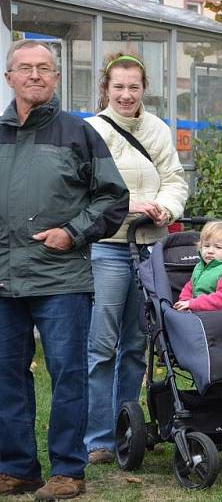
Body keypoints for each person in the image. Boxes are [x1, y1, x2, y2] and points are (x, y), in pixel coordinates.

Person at [0, 40, 128, 499]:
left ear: (56, 78)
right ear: (9, 76)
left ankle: (68, 472)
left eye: (44, 69)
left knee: (67, 374)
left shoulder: (78, 132)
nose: (35, 75)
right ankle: (17, 469)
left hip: (60, 278)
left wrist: (71, 233)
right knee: (5, 376)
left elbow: (114, 198)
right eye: (25, 68)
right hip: (3, 278)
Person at [82, 53, 188, 466]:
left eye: (134, 87)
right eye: (118, 87)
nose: (126, 95)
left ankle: (127, 427)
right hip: (108, 247)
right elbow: (84, 192)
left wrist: (165, 208)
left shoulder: (157, 129)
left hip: (150, 247)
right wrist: (131, 205)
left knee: (135, 345)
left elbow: (175, 180)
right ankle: (97, 437)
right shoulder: (91, 131)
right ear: (106, 88)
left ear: (144, 89)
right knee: (102, 345)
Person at [174, 221, 222, 311]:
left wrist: (193, 304)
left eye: (218, 247)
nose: (210, 251)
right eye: (206, 246)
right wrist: (185, 301)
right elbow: (190, 287)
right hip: (207, 314)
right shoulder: (200, 267)